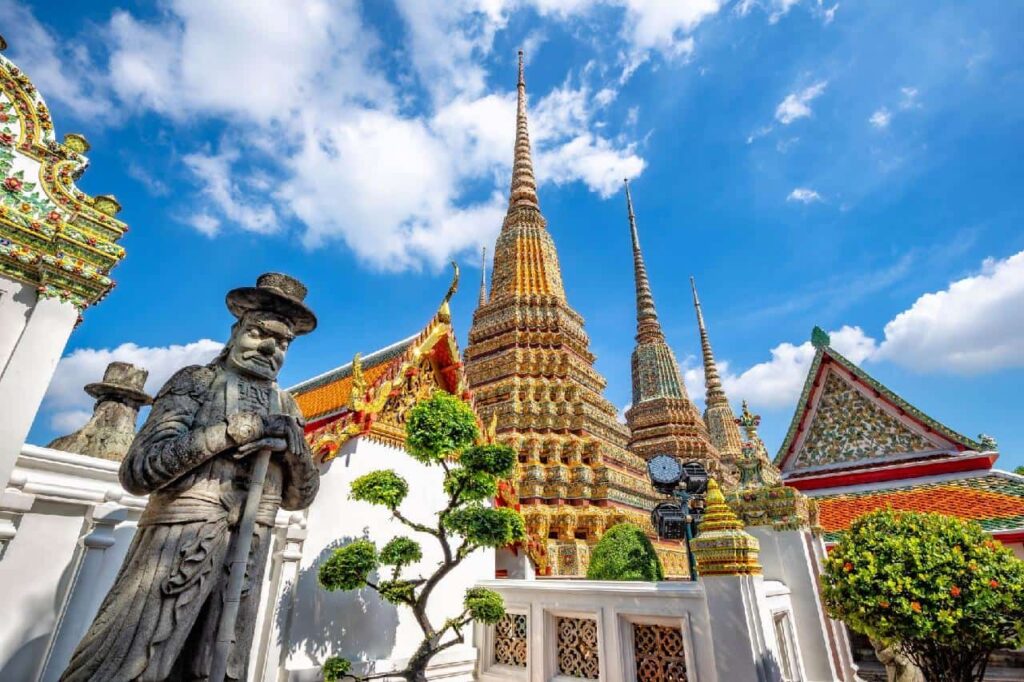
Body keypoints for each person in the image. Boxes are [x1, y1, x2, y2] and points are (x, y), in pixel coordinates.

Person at [61, 273, 320, 681]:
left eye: (283, 342)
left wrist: (297, 451)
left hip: (247, 554)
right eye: (258, 333)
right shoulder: (197, 382)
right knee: (132, 659)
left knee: (222, 666)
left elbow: (298, 498)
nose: (270, 348)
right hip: (180, 539)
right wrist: (232, 431)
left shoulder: (286, 405)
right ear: (236, 332)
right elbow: (140, 470)